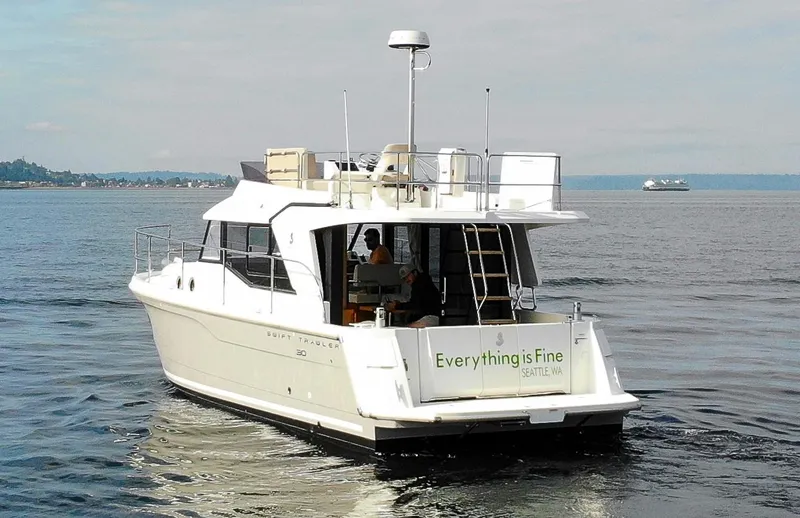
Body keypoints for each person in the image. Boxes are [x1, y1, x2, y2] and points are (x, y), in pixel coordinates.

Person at [386, 264, 442, 328]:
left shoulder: (420, 284)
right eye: (404, 278)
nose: (406, 280)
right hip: (432, 316)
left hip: (431, 317)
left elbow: (414, 304)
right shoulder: (423, 281)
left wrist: (397, 305)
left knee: (406, 329)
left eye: (408, 276)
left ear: (415, 273)